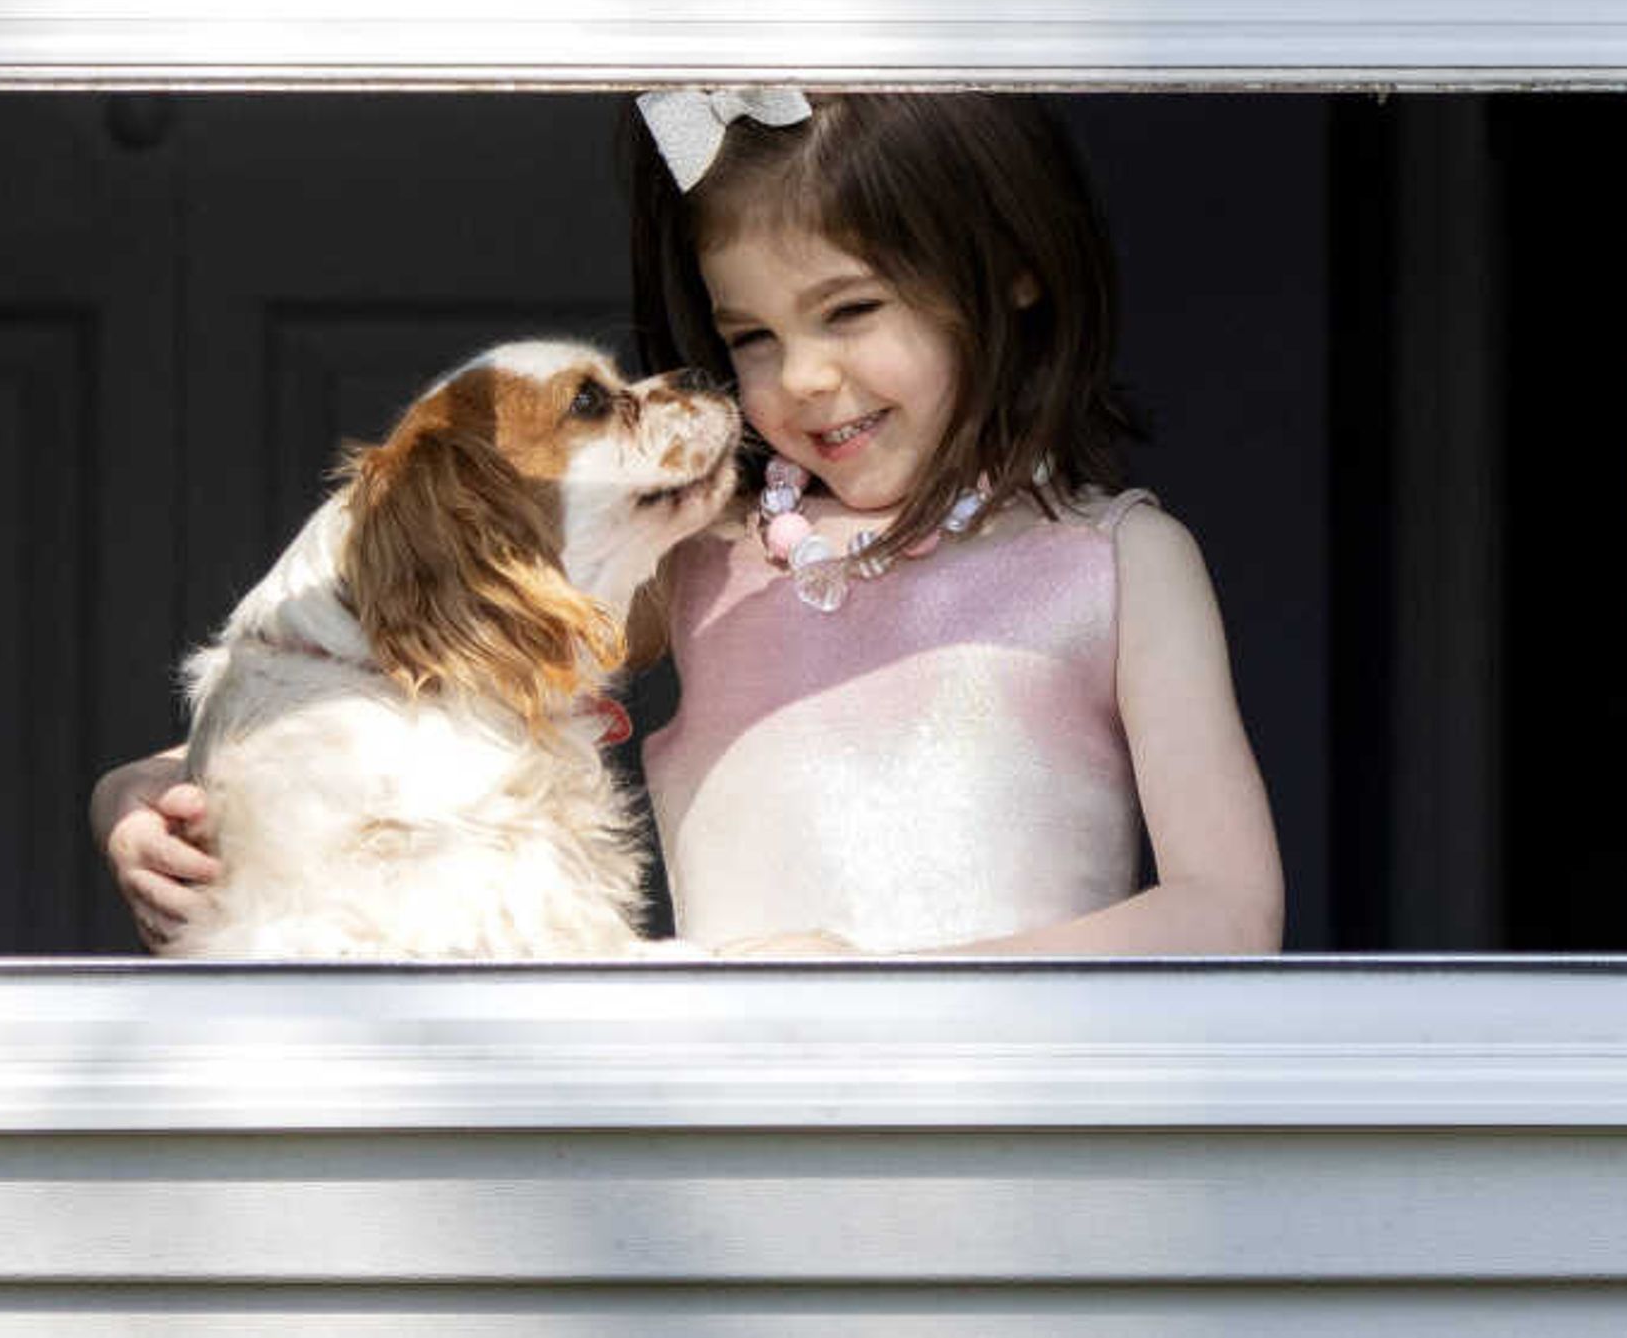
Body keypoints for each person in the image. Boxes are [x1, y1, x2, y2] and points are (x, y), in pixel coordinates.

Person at [94, 90, 1283, 958]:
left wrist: (894, 993)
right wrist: (141, 797)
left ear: (1015, 267)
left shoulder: (1118, 563)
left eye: (850, 308)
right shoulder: (706, 565)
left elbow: (1228, 913)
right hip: (735, 1155)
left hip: (1025, 1163)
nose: (804, 377)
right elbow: (395, 696)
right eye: (752, 336)